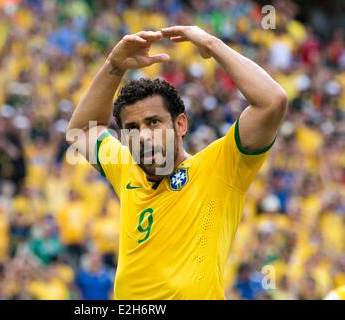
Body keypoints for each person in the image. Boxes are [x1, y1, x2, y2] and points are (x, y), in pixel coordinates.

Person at [66, 26, 287, 299]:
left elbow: (272, 101)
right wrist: (114, 66)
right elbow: (82, 131)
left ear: (180, 124)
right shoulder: (126, 168)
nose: (143, 136)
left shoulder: (220, 168)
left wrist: (211, 43)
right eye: (132, 128)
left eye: (153, 122)